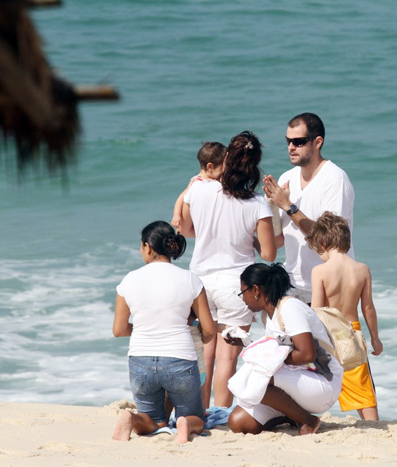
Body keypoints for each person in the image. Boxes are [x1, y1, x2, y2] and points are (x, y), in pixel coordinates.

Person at [180, 131, 276, 408]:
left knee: (205, 353)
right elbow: (268, 253)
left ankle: (199, 411)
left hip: (200, 281)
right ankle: (221, 412)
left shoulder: (198, 188)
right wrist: (251, 238)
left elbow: (186, 230)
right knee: (227, 358)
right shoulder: (257, 203)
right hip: (236, 285)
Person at [111, 221, 216, 443]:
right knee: (196, 417)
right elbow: (209, 329)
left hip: (141, 361)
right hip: (180, 359)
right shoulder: (190, 279)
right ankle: (185, 422)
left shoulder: (129, 280)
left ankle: (132, 419)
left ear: (147, 247)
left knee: (154, 422)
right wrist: (198, 336)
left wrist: (144, 329)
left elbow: (119, 330)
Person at [227, 263, 344, 435]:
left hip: (323, 382)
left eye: (243, 293)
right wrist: (246, 344)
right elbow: (278, 350)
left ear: (256, 290)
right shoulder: (270, 316)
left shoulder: (290, 307)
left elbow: (307, 354)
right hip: (297, 382)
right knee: (239, 423)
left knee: (256, 375)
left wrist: (269, 359)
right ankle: (292, 415)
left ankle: (308, 420)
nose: (243, 299)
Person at [263, 112, 354, 303]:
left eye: (299, 141)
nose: (291, 147)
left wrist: (288, 206)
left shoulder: (334, 179)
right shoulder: (287, 178)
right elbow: (279, 240)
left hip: (329, 288)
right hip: (292, 286)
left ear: (317, 142)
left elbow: (330, 241)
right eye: (288, 141)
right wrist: (271, 206)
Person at [307, 212, 383, 420]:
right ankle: (372, 425)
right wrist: (375, 339)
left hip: (330, 335)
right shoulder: (361, 269)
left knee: (318, 380)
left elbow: (317, 310)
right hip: (352, 334)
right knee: (363, 390)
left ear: (323, 242)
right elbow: (368, 308)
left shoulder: (320, 271)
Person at [171, 142, 226, 232]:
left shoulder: (215, 180)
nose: (224, 171)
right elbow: (181, 198)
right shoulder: (196, 181)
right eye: (222, 168)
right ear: (210, 167)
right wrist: (176, 215)